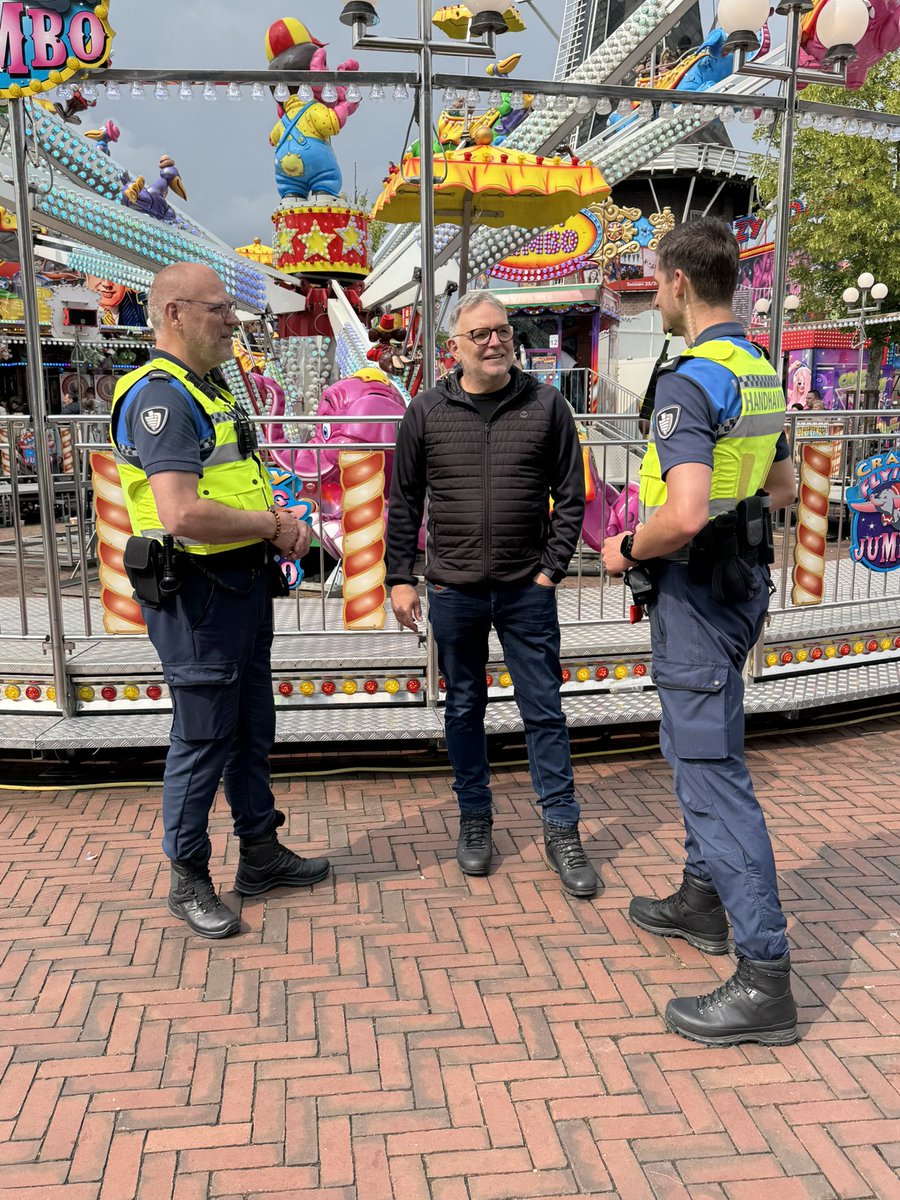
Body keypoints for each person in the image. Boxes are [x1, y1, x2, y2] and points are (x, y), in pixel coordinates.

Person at [601, 218, 799, 1046]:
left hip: (695, 592)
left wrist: (622, 549)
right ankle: (701, 898)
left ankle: (763, 977)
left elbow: (679, 513)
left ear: (678, 283)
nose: (655, 291)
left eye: (656, 279)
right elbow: (783, 485)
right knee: (699, 748)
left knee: (711, 770)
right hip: (740, 582)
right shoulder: (759, 372)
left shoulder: (689, 380)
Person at [110, 262, 331, 939]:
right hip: (199, 597)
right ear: (174, 313)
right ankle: (189, 877)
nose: (233, 321)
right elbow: (180, 512)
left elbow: (230, 483)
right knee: (204, 737)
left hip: (238, 587)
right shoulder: (162, 398)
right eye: (219, 309)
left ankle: (259, 852)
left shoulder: (206, 391)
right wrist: (273, 526)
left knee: (249, 727)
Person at [387, 291, 598, 898]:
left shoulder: (546, 405)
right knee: (463, 709)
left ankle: (562, 828)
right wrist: (400, 576)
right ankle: (475, 819)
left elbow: (571, 496)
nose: (495, 342)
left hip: (525, 590)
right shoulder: (426, 412)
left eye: (502, 331)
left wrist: (550, 571)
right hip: (453, 589)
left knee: (544, 711)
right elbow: (403, 502)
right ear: (454, 346)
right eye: (479, 334)